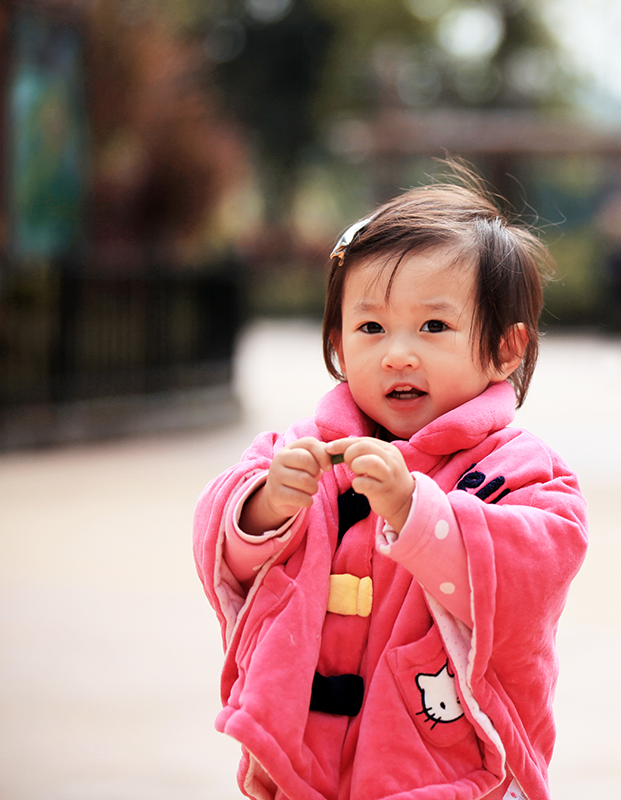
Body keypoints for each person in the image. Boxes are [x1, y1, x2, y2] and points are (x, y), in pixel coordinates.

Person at [193, 166, 588, 800]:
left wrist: (417, 511)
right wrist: (266, 505)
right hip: (308, 755)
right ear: (339, 344)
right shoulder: (305, 450)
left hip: (449, 758)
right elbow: (221, 539)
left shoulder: (525, 470)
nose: (397, 353)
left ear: (505, 349)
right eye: (371, 328)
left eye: (433, 327)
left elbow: (536, 565)